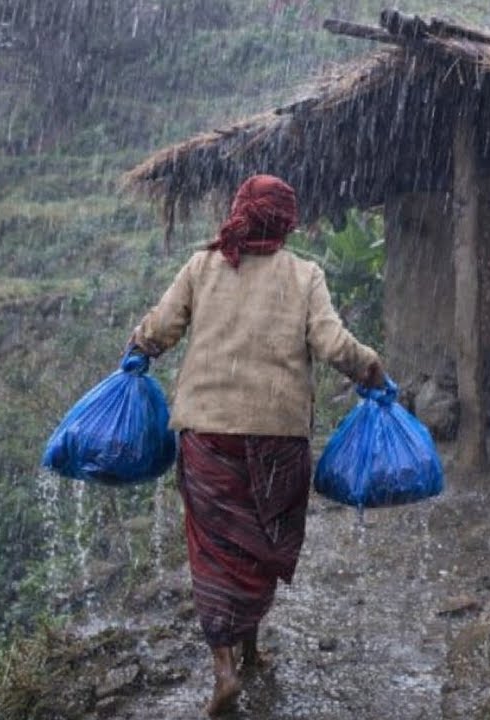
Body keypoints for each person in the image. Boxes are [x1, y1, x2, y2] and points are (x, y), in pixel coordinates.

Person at [127, 174, 384, 716]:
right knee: (260, 542)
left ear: (240, 212)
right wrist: (371, 368)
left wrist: (140, 346)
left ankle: (226, 667)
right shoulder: (304, 273)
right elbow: (333, 343)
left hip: (209, 433)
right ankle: (249, 649)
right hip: (278, 437)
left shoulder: (203, 266)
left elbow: (161, 327)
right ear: (286, 222)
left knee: (216, 547)